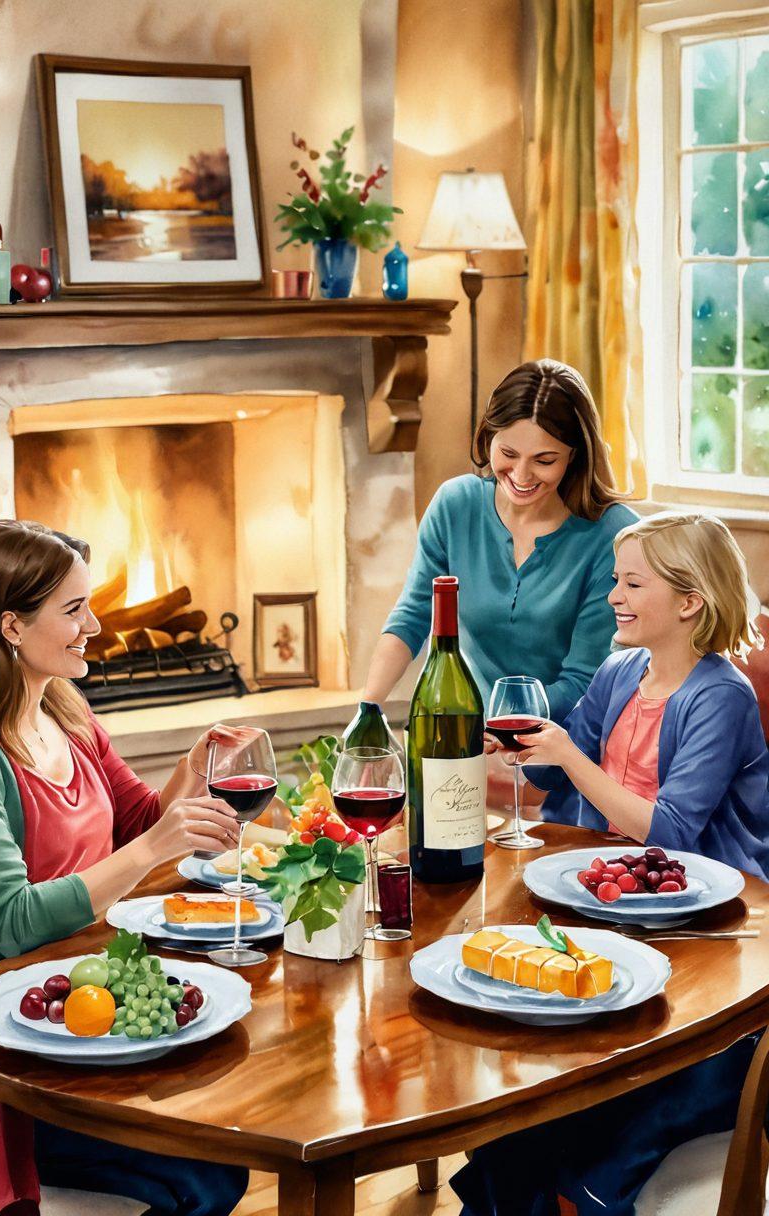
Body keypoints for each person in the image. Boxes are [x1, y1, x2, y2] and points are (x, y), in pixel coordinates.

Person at [453, 511, 769, 1215]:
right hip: (612, 911)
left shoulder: (720, 695)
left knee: (601, 1105)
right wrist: (476, 766)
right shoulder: (623, 669)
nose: (613, 596)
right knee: (519, 1092)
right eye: (616, 581)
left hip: (708, 932)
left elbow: (674, 832)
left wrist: (567, 753)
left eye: (632, 583)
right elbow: (550, 785)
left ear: (689, 601)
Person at [0, 520, 248, 1216]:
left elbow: (137, 822)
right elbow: (13, 922)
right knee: (207, 1178)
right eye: (74, 609)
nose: (97, 624)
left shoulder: (65, 708)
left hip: (88, 1005)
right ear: (11, 625)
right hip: (0, 1049)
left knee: (223, 1143)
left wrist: (190, 771)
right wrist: (154, 848)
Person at [361, 359, 638, 722]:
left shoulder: (614, 536)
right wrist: (368, 709)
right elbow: (413, 616)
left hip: (562, 743)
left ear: (575, 454)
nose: (521, 475)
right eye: (508, 454)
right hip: (467, 734)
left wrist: (480, 721)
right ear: (488, 437)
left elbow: (583, 682)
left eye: (544, 460)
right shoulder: (455, 505)